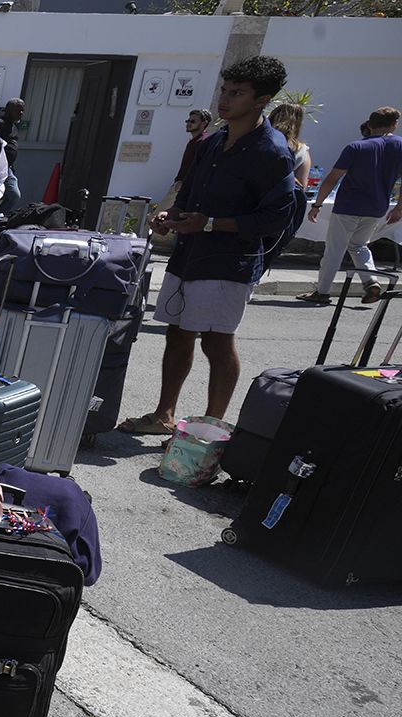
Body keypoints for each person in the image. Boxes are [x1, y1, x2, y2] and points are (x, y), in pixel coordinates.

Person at [118, 55, 298, 435]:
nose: (225, 99)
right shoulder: (213, 141)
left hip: (229, 264)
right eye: (224, 90)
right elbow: (190, 193)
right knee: (177, 334)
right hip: (189, 256)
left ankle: (209, 431)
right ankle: (164, 416)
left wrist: (213, 223)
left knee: (216, 343)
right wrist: (170, 214)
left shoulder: (272, 152)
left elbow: (276, 218)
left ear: (262, 100)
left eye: (237, 93)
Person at [298, 106, 402, 305]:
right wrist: (398, 208)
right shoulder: (399, 146)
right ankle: (370, 281)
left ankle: (322, 291)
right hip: (377, 207)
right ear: (394, 125)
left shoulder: (356, 147)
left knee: (334, 250)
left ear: (370, 125)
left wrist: (317, 204)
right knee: (359, 245)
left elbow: (332, 178)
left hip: (349, 205)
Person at [167, 109, 215, 203]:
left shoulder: (203, 142)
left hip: (187, 187)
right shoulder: (195, 141)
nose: (188, 123)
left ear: (204, 123)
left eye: (193, 121)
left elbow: (199, 166)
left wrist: (183, 182)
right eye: (188, 121)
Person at [0, 99, 27, 212]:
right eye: (18, 110)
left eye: (22, 110)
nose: (21, 113)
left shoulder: (13, 126)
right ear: (8, 110)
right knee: (13, 193)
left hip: (8, 167)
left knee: (13, 195)